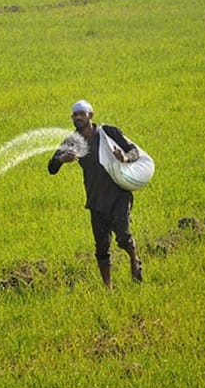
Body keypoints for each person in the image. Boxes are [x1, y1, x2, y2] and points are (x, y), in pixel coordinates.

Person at [48, 100, 143, 289]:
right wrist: (61, 159)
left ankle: (134, 259)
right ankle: (108, 288)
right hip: (96, 200)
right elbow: (51, 167)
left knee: (123, 237)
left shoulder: (109, 133)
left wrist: (124, 158)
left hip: (118, 195)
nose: (77, 118)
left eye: (81, 114)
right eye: (74, 115)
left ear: (90, 115)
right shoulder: (72, 141)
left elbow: (134, 151)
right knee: (101, 247)